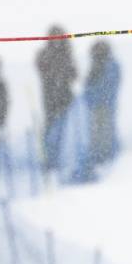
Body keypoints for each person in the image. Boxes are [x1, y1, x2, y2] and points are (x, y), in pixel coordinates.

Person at [36, 25, 78, 172]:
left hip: (65, 99)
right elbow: (42, 70)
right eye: (54, 36)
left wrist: (64, 73)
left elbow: (74, 75)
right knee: (49, 132)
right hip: (50, 100)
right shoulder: (44, 54)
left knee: (63, 132)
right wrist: (56, 72)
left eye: (59, 36)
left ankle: (58, 160)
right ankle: (47, 161)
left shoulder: (67, 54)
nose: (56, 40)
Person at [83, 41, 122, 168]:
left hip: (104, 106)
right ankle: (99, 156)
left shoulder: (109, 66)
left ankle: (106, 156)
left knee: (104, 132)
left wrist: (93, 97)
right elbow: (90, 86)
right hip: (97, 106)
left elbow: (105, 87)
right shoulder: (99, 66)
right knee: (97, 132)